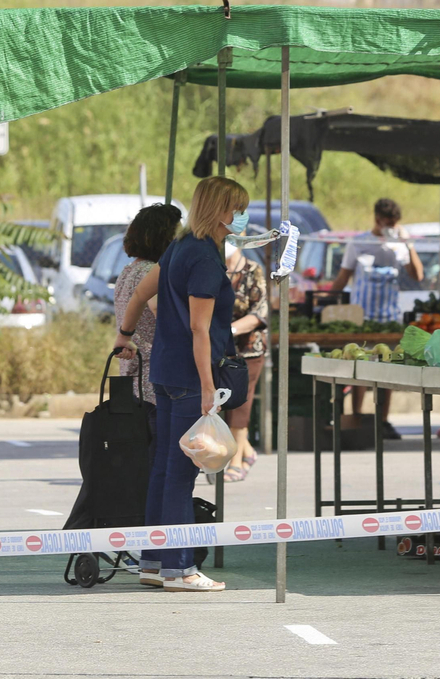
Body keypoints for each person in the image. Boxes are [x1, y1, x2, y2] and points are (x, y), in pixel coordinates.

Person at [117, 175, 247, 592]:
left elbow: (139, 295)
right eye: (237, 209)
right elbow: (200, 328)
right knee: (181, 474)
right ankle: (179, 568)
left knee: (164, 470)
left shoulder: (178, 248)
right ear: (221, 210)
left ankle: (153, 562)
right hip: (192, 377)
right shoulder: (206, 260)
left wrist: (125, 333)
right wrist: (209, 387)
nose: (241, 217)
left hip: (165, 372)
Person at [332, 198, 423, 440]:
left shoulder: (398, 245)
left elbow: (418, 275)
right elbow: (343, 277)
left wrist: (408, 244)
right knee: (359, 370)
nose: (390, 227)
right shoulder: (359, 243)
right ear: (377, 220)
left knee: (386, 371)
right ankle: (358, 417)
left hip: (389, 318)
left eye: (394, 224)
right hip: (362, 318)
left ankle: (383, 421)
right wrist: (328, 303)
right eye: (387, 223)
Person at [111, 203, 183, 406]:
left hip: (132, 374)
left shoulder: (128, 270)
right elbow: (159, 308)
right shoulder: (150, 272)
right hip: (151, 378)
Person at [221, 242, 269, 482]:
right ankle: (247, 451)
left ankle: (236, 462)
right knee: (225, 404)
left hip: (248, 350)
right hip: (220, 351)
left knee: (241, 406)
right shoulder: (215, 268)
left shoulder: (253, 270)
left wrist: (230, 330)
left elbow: (259, 313)